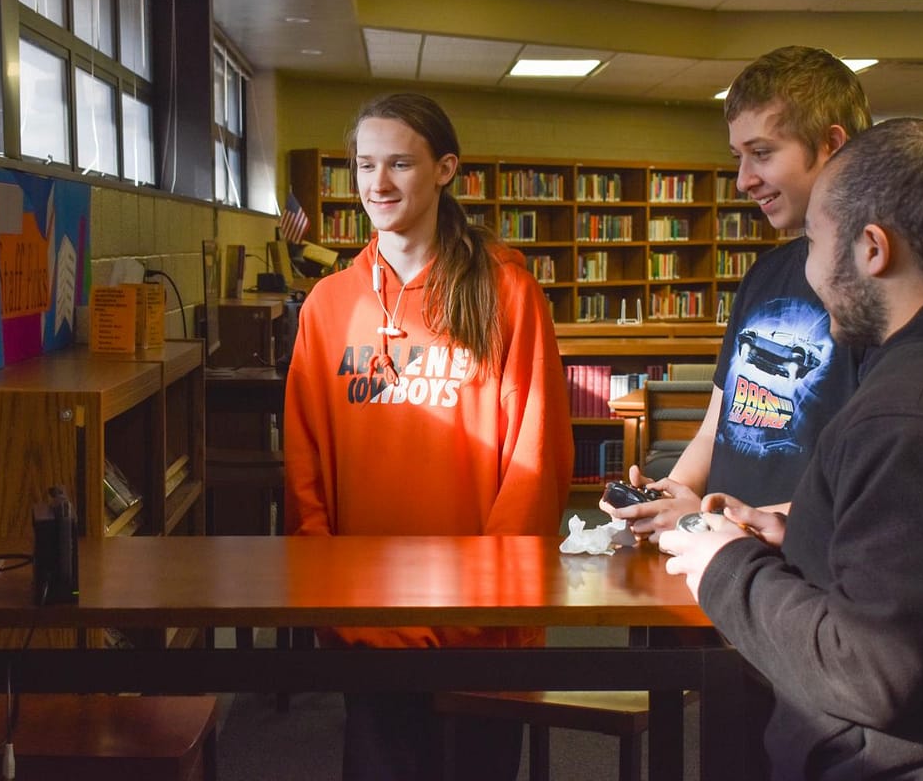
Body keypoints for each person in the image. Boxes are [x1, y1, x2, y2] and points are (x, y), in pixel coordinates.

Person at [660, 117, 923, 779]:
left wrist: (724, 564)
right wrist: (808, 531)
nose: (805, 268)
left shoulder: (912, 418)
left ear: (870, 249)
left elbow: (867, 671)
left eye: (812, 243)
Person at [283, 92, 574, 781]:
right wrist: (337, 610)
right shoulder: (328, 305)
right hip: (367, 626)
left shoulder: (506, 291)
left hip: (481, 631)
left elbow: (535, 462)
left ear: (445, 170)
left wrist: (471, 616)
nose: (377, 185)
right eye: (363, 166)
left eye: (399, 165)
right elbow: (304, 470)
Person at [603, 46, 872, 541]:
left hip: (803, 576)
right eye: (738, 157)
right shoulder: (763, 276)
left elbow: (874, 491)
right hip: (722, 558)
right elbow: (717, 425)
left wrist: (718, 524)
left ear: (832, 144)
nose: (744, 179)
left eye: (763, 153)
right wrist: (675, 492)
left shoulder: (881, 290)